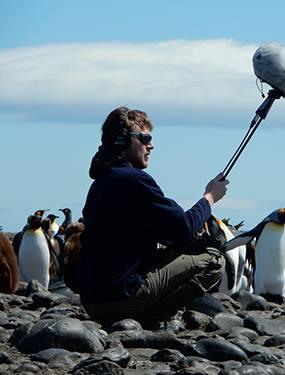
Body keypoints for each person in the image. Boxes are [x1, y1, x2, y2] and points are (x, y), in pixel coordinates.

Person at [77, 106, 229, 328]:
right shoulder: (135, 180)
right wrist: (209, 198)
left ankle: (137, 318)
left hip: (93, 301)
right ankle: (150, 318)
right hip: (120, 299)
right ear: (122, 141)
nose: (151, 145)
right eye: (145, 138)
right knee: (214, 260)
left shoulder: (101, 182)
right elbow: (184, 228)